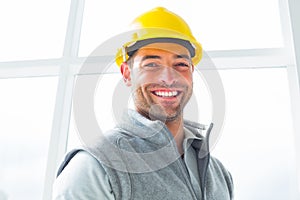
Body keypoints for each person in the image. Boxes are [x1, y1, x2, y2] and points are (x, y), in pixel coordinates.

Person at [53, 7, 234, 200]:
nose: (169, 78)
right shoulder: (94, 166)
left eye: (180, 64)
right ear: (127, 74)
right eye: (151, 65)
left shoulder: (219, 175)